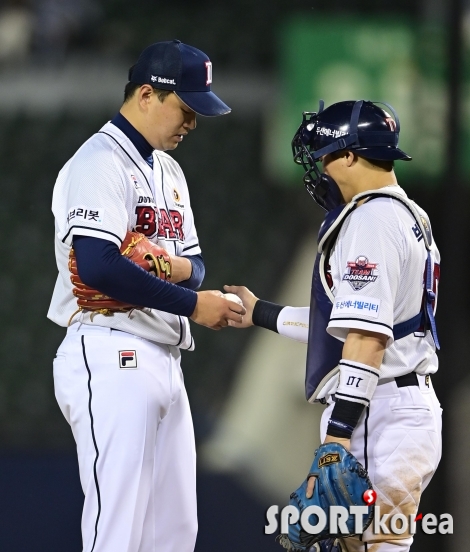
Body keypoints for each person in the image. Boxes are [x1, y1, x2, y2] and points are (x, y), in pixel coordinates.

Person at [47, 40, 245, 552]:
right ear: (146, 95)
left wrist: (169, 266)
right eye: (185, 108)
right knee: (118, 531)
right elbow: (96, 265)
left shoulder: (170, 171)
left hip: (164, 357)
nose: (192, 124)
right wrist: (190, 302)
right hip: (111, 349)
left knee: (175, 535)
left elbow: (195, 267)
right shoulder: (97, 162)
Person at [225, 100, 442, 552]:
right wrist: (260, 312)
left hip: (379, 413)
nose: (320, 168)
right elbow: (347, 323)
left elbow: (367, 338)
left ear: (349, 156)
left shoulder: (371, 220)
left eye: (324, 155)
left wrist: (337, 437)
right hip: (397, 405)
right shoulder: (405, 215)